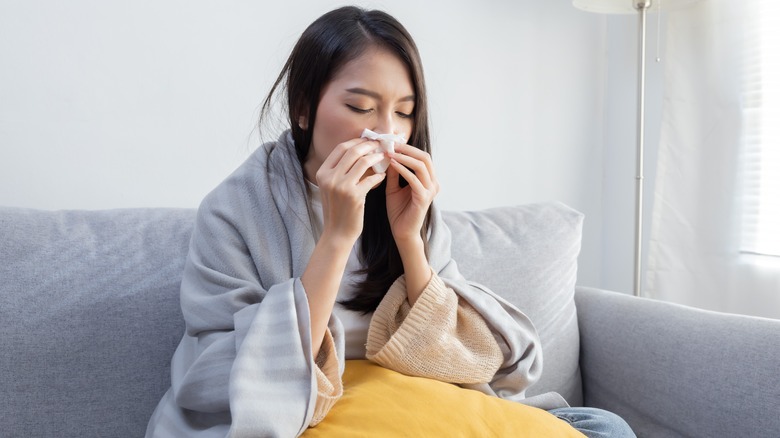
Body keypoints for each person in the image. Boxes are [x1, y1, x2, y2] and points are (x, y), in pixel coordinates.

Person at [146, 6, 635, 438]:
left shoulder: (406, 204)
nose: (385, 134)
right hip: (312, 412)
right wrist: (337, 237)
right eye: (360, 107)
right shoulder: (235, 210)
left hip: (414, 399)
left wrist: (409, 241)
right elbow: (223, 378)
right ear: (302, 108)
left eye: (403, 113)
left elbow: (456, 359)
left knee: (604, 427)